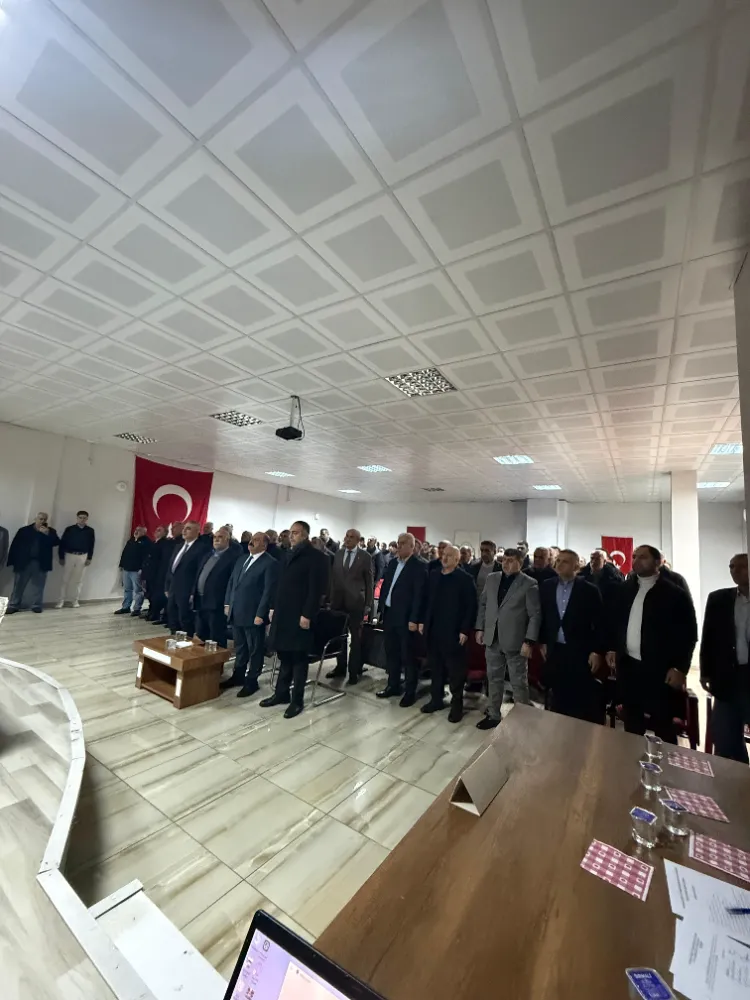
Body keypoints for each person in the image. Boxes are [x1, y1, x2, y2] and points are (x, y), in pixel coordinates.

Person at [606, 544, 697, 743]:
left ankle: (666, 761)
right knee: (632, 720)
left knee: (662, 722)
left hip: (659, 669)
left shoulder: (674, 593)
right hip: (629, 665)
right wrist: (613, 648)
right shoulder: (625, 589)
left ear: (658, 562)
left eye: (643, 557)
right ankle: (632, 757)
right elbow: (616, 622)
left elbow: (688, 634)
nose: (636, 561)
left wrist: (680, 667)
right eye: (634, 556)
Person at [261, 520, 330, 718]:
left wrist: (307, 614)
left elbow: (316, 590)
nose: (291, 536)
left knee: (299, 659)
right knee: (284, 655)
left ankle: (296, 700)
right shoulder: (287, 554)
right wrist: (273, 607)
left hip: (300, 615)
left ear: (305, 535)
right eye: (290, 532)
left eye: (296, 533)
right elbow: (279, 584)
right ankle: (281, 693)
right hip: (284, 613)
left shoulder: (317, 557)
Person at [475, 548, 541, 730]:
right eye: (504, 560)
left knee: (518, 682)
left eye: (511, 560)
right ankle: (493, 714)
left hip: (516, 640)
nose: (506, 563)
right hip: (492, 636)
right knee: (493, 678)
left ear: (521, 562)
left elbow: (535, 615)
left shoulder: (529, 584)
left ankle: (522, 720)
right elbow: (483, 604)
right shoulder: (492, 578)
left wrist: (529, 641)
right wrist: (480, 628)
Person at [539, 549, 606, 724]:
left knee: (578, 696)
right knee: (558, 695)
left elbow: (600, 624)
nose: (559, 564)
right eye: (558, 560)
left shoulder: (589, 590)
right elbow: (543, 617)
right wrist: (542, 641)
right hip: (555, 649)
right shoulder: (547, 586)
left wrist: (597, 651)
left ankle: (576, 731)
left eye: (565, 561)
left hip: (579, 650)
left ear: (576, 566)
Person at [700, 553, 750, 761]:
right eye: (731, 567)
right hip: (728, 676)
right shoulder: (719, 599)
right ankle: (737, 775)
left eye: (742, 566)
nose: (735, 571)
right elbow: (708, 637)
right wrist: (705, 671)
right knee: (725, 736)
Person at [420, 544, 477, 722]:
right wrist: (422, 622)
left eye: (449, 556)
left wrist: (464, 630)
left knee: (455, 671)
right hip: (433, 629)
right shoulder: (434, 574)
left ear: (457, 559)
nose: (444, 558)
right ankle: (436, 700)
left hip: (454, 632)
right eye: (443, 554)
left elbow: (471, 607)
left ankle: (456, 705)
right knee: (436, 667)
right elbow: (426, 600)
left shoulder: (465, 579)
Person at [223, 532, 280, 697]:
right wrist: (228, 603)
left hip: (254, 614)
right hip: (236, 611)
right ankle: (238, 675)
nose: (252, 542)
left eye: (256, 540)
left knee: (255, 649)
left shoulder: (270, 563)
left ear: (264, 545)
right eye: (252, 539)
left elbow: (268, 591)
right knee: (240, 646)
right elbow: (232, 582)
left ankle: (252, 680)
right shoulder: (242, 558)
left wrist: (261, 614)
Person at [376, 532, 428, 707]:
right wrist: (381, 610)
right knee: (391, 652)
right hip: (390, 614)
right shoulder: (392, 563)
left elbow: (419, 595)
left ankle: (410, 692)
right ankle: (393, 685)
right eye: (398, 542)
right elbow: (386, 587)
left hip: (406, 618)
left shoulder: (419, 566)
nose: (399, 546)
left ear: (412, 547)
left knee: (408, 656)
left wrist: (414, 619)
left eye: (403, 543)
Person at [327, 528, 374, 685]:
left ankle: (354, 671)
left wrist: (368, 604)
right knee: (340, 637)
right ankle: (340, 667)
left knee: (355, 639)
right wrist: (330, 598)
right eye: (346, 536)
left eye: (351, 537)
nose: (347, 539)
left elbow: (369, 582)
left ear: (358, 540)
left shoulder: (365, 557)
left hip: (356, 604)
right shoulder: (339, 554)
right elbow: (333, 578)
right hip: (338, 603)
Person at [193, 526, 238, 647]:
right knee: (201, 635)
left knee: (216, 637)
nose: (216, 539)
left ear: (227, 540)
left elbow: (232, 583)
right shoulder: (208, 555)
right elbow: (199, 575)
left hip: (217, 603)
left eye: (220, 537)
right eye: (215, 537)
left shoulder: (233, 558)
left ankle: (217, 659)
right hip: (201, 600)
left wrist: (228, 603)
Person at [6, 512, 60, 614]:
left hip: (40, 563)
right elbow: (15, 545)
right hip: (24, 562)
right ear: (35, 519)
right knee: (18, 585)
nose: (42, 521)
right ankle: (13, 605)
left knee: (39, 586)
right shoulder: (24, 530)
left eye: (44, 519)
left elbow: (57, 542)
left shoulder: (50, 531)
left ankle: (36, 605)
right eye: (40, 519)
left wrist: (47, 534)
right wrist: (12, 561)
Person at [165, 520, 204, 636]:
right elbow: (171, 567)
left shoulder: (201, 548)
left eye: (188, 528)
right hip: (173, 588)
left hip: (186, 590)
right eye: (184, 528)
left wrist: (193, 592)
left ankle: (186, 642)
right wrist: (167, 586)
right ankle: (174, 639)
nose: (184, 531)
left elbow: (198, 572)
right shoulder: (179, 546)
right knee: (172, 616)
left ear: (197, 531)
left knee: (185, 619)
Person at [56, 510, 96, 608]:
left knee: (79, 580)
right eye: (80, 517)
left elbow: (91, 545)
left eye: (84, 518)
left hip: (83, 556)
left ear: (87, 519)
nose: (82, 519)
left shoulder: (90, 531)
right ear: (77, 518)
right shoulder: (70, 529)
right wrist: (61, 557)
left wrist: (89, 558)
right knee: (65, 579)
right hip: (69, 555)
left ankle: (75, 601)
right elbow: (62, 543)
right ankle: (61, 601)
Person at [115, 526, 150, 616]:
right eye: (136, 530)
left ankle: (137, 608)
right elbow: (125, 553)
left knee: (138, 590)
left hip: (136, 570)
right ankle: (126, 607)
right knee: (127, 589)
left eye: (139, 530)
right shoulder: (131, 540)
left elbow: (146, 557)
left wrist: (142, 569)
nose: (136, 531)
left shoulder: (146, 542)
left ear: (144, 532)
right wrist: (121, 564)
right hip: (126, 569)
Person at [143, 525, 169, 622]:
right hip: (150, 573)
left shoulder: (164, 544)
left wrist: (160, 575)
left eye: (159, 530)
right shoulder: (154, 542)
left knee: (156, 595)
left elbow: (162, 561)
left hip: (157, 574)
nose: (156, 531)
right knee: (149, 594)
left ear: (165, 533)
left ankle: (155, 614)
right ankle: (150, 611)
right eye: (156, 530)